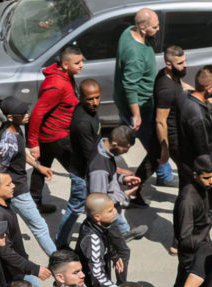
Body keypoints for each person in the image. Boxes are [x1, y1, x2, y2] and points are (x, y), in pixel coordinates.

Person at [0, 97, 60, 255]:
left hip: (17, 186)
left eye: (26, 111)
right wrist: (7, 191)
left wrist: (38, 166)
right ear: (11, 117)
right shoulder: (7, 141)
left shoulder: (15, 128)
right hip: (18, 189)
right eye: (22, 113)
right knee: (40, 227)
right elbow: (0, 169)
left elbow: (21, 153)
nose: (27, 115)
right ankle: (58, 262)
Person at [29, 45, 83, 214]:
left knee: (41, 168)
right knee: (79, 171)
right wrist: (33, 143)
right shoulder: (57, 84)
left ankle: (34, 204)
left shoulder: (66, 76)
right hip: (57, 137)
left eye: (82, 61)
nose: (81, 65)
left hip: (53, 135)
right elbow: (38, 112)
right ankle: (81, 205)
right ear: (65, 65)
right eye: (78, 63)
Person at [167, 155, 212, 287]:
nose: (211, 181)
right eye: (206, 178)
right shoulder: (187, 200)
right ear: (195, 176)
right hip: (190, 253)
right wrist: (206, 232)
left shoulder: (208, 186)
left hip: (203, 245)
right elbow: (185, 239)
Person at [114, 8, 161, 190]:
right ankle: (135, 189)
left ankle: (163, 174)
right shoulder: (135, 54)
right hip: (141, 107)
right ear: (142, 27)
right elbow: (130, 85)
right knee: (155, 148)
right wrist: (137, 114)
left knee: (140, 140)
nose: (158, 30)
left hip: (125, 103)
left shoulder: (127, 32)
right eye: (155, 27)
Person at [60, 79, 102, 248]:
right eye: (90, 99)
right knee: (75, 208)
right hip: (82, 174)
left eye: (97, 98)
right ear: (81, 97)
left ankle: (123, 229)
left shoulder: (90, 111)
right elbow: (91, 156)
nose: (95, 103)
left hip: (88, 170)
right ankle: (61, 243)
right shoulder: (82, 123)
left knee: (107, 201)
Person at [87, 125, 146, 240]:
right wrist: (125, 195)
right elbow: (99, 201)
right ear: (115, 144)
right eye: (125, 149)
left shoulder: (103, 147)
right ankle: (122, 236)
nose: (126, 152)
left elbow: (109, 175)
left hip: (112, 206)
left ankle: (124, 234)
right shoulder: (99, 169)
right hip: (108, 210)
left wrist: (123, 178)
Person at [174, 65, 212, 186]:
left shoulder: (186, 97)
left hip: (187, 158)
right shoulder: (199, 118)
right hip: (200, 167)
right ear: (209, 88)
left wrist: (206, 101)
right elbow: (203, 152)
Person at [76, 194, 129, 287]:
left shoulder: (97, 224)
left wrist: (114, 255)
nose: (115, 212)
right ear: (97, 217)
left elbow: (105, 240)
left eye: (114, 207)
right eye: (110, 211)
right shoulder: (92, 240)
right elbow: (98, 277)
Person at [152, 48, 186, 189]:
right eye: (180, 63)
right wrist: (165, 149)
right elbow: (160, 121)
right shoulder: (166, 90)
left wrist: (199, 93)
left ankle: (135, 194)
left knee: (149, 163)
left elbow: (181, 87)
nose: (184, 65)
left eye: (184, 61)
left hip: (177, 132)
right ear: (168, 64)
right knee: (188, 168)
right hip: (172, 137)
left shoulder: (171, 75)